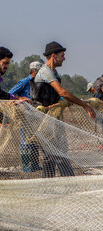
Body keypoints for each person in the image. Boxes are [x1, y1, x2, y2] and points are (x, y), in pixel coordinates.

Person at [31, 41, 95, 178]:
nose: (64, 58)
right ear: (53, 56)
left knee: (59, 150)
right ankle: (55, 183)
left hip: (53, 117)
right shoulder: (45, 71)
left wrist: (67, 102)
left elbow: (57, 96)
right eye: (62, 55)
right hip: (44, 117)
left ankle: (61, 181)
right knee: (51, 152)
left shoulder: (55, 73)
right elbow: (62, 92)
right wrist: (84, 105)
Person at [8, 61, 43, 172]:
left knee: (35, 140)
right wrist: (21, 99)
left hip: (36, 115)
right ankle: (26, 165)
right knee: (26, 141)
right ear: (34, 71)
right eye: (40, 71)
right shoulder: (24, 82)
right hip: (25, 116)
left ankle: (35, 164)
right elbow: (11, 94)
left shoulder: (39, 83)